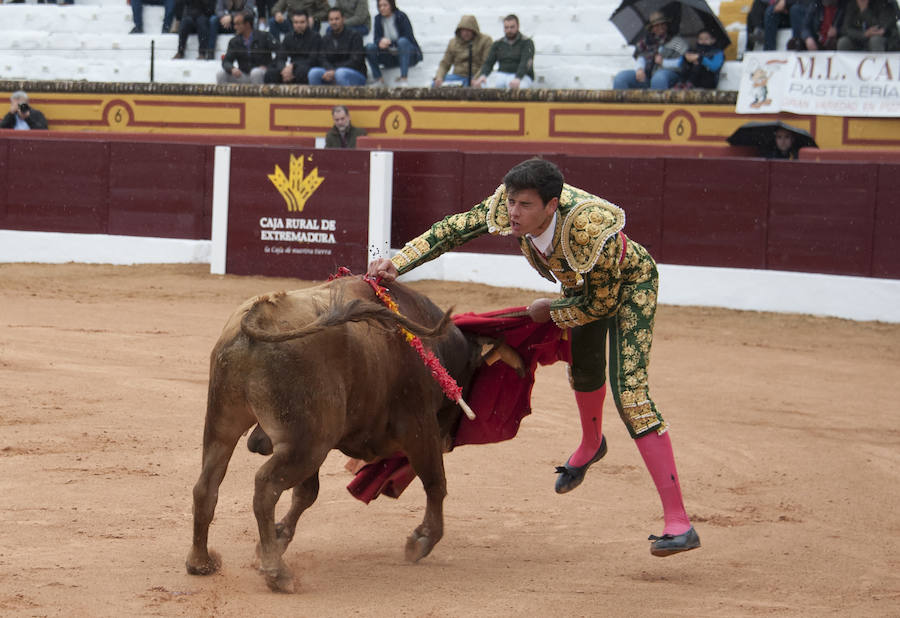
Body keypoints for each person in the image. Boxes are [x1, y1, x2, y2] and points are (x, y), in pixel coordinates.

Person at [366, 158, 701, 557]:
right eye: (510, 203)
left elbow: (601, 304)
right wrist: (398, 263)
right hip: (580, 290)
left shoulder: (594, 232)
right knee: (584, 370)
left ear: (552, 205)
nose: (513, 213)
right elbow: (452, 230)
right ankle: (591, 444)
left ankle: (679, 523)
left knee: (631, 397)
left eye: (524, 205)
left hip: (629, 286)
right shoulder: (508, 206)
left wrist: (552, 311)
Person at [613, 11, 687, 90]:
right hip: (648, 76)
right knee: (621, 78)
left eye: (662, 24)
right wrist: (640, 69)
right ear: (652, 29)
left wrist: (664, 62)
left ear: (667, 25)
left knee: (658, 78)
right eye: (657, 25)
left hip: (670, 75)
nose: (660, 27)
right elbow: (641, 57)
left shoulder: (677, 41)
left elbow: (683, 64)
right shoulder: (645, 42)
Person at [365, 0, 423, 85]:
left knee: (402, 42)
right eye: (380, 6)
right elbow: (376, 38)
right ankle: (378, 79)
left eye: (385, 5)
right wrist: (380, 42)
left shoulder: (401, 16)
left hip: (407, 54)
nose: (382, 8)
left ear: (391, 5)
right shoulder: (378, 18)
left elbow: (408, 37)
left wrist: (390, 43)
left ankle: (404, 78)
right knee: (369, 47)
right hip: (389, 55)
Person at [471, 14, 535, 90]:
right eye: (506, 27)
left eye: (512, 27)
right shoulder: (498, 44)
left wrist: (518, 78)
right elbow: (489, 62)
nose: (509, 30)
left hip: (523, 76)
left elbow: (525, 62)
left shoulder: (527, 42)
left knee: (518, 88)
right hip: (501, 74)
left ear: (518, 27)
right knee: (482, 85)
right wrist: (483, 76)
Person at [308, 7, 367, 86]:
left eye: (336, 19)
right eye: (331, 20)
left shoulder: (355, 36)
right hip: (332, 72)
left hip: (355, 74)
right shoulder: (325, 38)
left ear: (343, 19)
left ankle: (345, 98)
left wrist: (335, 71)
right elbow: (322, 59)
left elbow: (356, 60)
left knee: (340, 74)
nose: (334, 22)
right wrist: (330, 70)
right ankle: (318, 98)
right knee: (313, 73)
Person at [215, 8, 276, 84]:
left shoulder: (264, 36)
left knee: (256, 72)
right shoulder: (234, 41)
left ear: (247, 24)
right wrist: (232, 68)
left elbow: (280, 52)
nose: (235, 27)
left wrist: (268, 67)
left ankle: (259, 96)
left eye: (238, 24)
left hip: (262, 74)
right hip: (243, 75)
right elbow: (226, 61)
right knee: (221, 74)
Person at [432, 15, 493, 87]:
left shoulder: (485, 41)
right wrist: (439, 77)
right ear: (459, 30)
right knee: (434, 85)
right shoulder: (453, 42)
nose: (465, 33)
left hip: (475, 76)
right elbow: (445, 64)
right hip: (457, 77)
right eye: (463, 30)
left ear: (474, 30)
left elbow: (487, 64)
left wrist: (477, 78)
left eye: (468, 30)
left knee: (479, 87)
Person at [264, 9, 320, 84]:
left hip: (305, 66)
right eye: (296, 22)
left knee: (301, 72)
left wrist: (293, 66)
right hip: (289, 67)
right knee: (271, 73)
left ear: (307, 22)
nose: (299, 25)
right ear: (292, 23)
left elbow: (313, 60)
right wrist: (284, 70)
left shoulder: (315, 37)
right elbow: (280, 57)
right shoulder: (288, 37)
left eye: (302, 22)